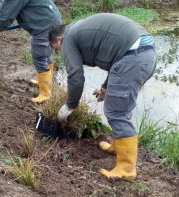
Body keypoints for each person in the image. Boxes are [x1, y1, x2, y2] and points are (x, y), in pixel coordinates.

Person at [49, 13, 157, 180]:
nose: (60, 52)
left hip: (134, 57)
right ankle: (118, 146)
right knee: (121, 107)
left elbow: (76, 76)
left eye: (57, 49)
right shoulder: (79, 29)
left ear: (58, 39)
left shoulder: (68, 39)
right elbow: (117, 55)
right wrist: (106, 87)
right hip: (142, 53)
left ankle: (126, 169)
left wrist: (70, 105)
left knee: (117, 112)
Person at [0, 0, 61, 103]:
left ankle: (45, 94)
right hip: (51, 17)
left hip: (44, 24)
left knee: (40, 56)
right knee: (46, 53)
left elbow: (5, 17)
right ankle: (46, 82)